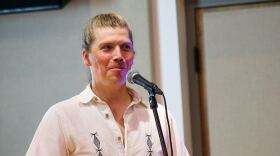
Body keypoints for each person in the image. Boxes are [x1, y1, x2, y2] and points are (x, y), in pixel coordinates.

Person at [26, 13, 189, 156]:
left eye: (125, 47)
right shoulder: (61, 117)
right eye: (107, 48)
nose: (119, 55)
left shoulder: (158, 116)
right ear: (86, 57)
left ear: (133, 55)